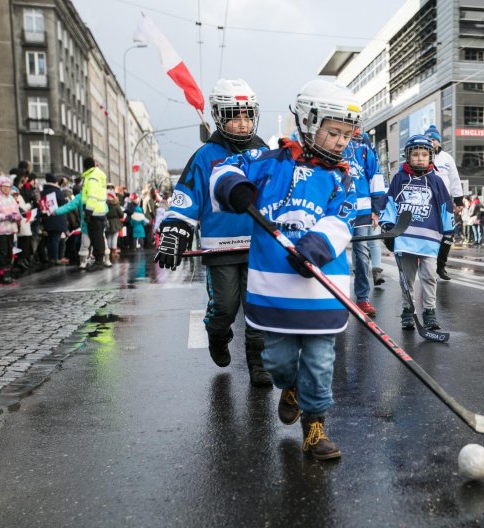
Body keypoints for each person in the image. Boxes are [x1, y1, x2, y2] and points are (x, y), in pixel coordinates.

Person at [210, 79, 361, 460]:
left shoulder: (343, 176)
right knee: (276, 362)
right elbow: (224, 168)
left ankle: (315, 427)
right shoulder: (268, 162)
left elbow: (343, 219)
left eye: (347, 135)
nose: (341, 142)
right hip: (274, 290)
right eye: (333, 132)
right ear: (309, 123)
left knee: (320, 361)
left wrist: (316, 247)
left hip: (321, 288)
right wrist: (233, 186)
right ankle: (289, 386)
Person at [155, 79, 272, 386]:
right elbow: (186, 198)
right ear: (219, 115)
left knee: (257, 307)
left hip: (258, 245)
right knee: (225, 307)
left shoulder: (264, 153)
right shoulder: (205, 156)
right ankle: (216, 333)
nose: (243, 123)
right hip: (220, 248)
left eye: (248, 115)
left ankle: (258, 363)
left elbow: (280, 195)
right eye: (235, 115)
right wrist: (174, 233)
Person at [380, 134, 454, 331]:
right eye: (415, 154)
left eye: (424, 154)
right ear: (408, 156)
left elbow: (446, 207)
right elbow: (390, 204)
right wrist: (387, 225)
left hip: (430, 239)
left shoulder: (436, 181)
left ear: (430, 156)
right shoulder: (399, 179)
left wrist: (448, 233)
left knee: (430, 277)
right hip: (404, 238)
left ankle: (429, 312)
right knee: (407, 279)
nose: (420, 158)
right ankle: (407, 311)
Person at [346, 128, 386, 317]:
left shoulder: (364, 150)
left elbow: (376, 180)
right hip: (333, 210)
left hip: (361, 210)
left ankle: (362, 298)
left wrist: (376, 210)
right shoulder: (329, 145)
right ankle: (334, 297)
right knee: (330, 253)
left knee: (361, 255)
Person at [423, 124, 464, 280]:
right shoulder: (422, 156)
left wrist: (458, 199)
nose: (432, 142)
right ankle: (428, 266)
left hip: (445, 201)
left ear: (439, 141)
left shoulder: (447, 158)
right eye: (429, 139)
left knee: (448, 235)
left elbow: (455, 179)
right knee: (429, 235)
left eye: (434, 139)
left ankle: (441, 266)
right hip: (427, 202)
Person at [81, 156, 109, 270]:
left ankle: (98, 262)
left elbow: (92, 196)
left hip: (93, 212)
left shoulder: (92, 177)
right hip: (100, 211)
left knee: (96, 237)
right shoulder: (97, 175)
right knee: (99, 237)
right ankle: (99, 260)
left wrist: (88, 212)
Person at [40, 173, 69, 265]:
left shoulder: (44, 191)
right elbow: (63, 203)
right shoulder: (56, 191)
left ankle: (51, 258)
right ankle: (56, 258)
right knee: (56, 239)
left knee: (50, 239)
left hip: (48, 218)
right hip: (57, 219)